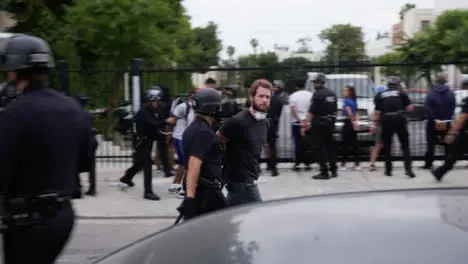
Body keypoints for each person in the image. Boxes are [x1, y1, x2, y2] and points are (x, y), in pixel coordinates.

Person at [0, 34, 92, 264]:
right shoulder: (73, 108)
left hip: (26, 218)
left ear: (13, 70)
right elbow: (84, 160)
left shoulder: (14, 113)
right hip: (62, 215)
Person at [217, 79, 272, 206]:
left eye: (268, 97)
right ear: (251, 97)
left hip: (250, 178)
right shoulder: (238, 121)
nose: (264, 100)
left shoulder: (265, 123)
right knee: (260, 214)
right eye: (261, 96)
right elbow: (217, 140)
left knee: (233, 217)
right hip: (240, 181)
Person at [176, 88, 227, 220]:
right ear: (212, 108)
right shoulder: (204, 132)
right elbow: (194, 163)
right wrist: (190, 198)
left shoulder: (192, 128)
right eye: (218, 106)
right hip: (206, 191)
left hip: (201, 188)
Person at [119, 89, 176, 200]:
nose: (158, 103)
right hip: (141, 142)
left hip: (147, 140)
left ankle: (126, 178)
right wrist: (166, 122)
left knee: (139, 163)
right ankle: (148, 192)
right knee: (147, 165)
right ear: (150, 101)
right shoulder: (143, 112)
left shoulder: (152, 111)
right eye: (156, 101)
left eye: (158, 101)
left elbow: (156, 124)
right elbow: (151, 124)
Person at [373, 76, 415, 178]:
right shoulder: (401, 93)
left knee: (387, 146)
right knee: (405, 146)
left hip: (386, 119)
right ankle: (408, 170)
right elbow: (410, 108)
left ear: (388, 85)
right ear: (398, 85)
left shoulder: (380, 95)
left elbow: (377, 112)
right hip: (399, 119)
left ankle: (388, 170)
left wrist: (374, 124)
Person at [303, 73, 338, 180]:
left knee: (320, 148)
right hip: (330, 122)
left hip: (319, 123)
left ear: (318, 82)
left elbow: (311, 111)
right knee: (330, 147)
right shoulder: (332, 94)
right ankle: (333, 170)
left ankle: (324, 172)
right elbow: (335, 109)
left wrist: (306, 124)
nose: (314, 84)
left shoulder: (317, 94)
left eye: (314, 82)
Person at [432, 78, 468, 181]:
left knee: (454, 154)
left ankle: (439, 172)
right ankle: (439, 172)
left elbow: (462, 117)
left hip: (465, 134)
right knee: (454, 154)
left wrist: (451, 133)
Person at [421, 73, 456, 170]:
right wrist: (447, 118)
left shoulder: (431, 92)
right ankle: (448, 164)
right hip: (447, 121)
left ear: (437, 81)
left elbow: (427, 107)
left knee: (431, 143)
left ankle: (428, 164)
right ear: (445, 81)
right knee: (448, 144)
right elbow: (453, 106)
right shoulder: (450, 93)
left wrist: (434, 119)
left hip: (433, 122)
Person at [169, 91, 195, 198]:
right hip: (180, 138)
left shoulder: (194, 107)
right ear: (189, 97)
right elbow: (171, 120)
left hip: (183, 138)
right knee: (187, 164)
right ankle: (182, 188)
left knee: (183, 164)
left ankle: (175, 185)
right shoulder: (183, 107)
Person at [73, 94, 99, 197]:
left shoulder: (75, 114)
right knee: (91, 167)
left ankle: (77, 188)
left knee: (75, 165)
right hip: (91, 142)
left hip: (81, 142)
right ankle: (92, 189)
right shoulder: (88, 115)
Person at [289, 79, 313, 171]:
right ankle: (307, 163)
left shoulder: (293, 96)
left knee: (297, 143)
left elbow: (293, 110)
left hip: (296, 122)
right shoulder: (310, 95)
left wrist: (300, 121)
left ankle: (297, 163)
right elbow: (312, 109)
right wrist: (306, 121)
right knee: (307, 143)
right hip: (308, 122)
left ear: (296, 87)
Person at [266, 80, 287, 176]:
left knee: (260, 145)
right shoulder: (278, 100)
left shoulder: (263, 98)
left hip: (263, 122)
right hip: (273, 123)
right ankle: (273, 168)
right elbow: (279, 113)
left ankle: (265, 165)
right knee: (272, 146)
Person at [340, 84, 361, 171]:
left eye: (345, 91)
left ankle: (343, 163)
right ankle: (357, 164)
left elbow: (349, 112)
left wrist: (352, 122)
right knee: (354, 144)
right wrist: (356, 123)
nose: (343, 92)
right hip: (352, 123)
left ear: (350, 92)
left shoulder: (346, 101)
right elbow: (356, 113)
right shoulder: (354, 101)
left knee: (345, 144)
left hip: (348, 122)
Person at [369, 85, 387, 171]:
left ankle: (372, 163)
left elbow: (375, 113)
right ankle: (372, 163)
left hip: (380, 124)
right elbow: (376, 114)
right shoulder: (383, 102)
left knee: (378, 145)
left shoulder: (378, 102)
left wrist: (373, 125)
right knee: (380, 144)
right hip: (382, 124)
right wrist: (374, 124)